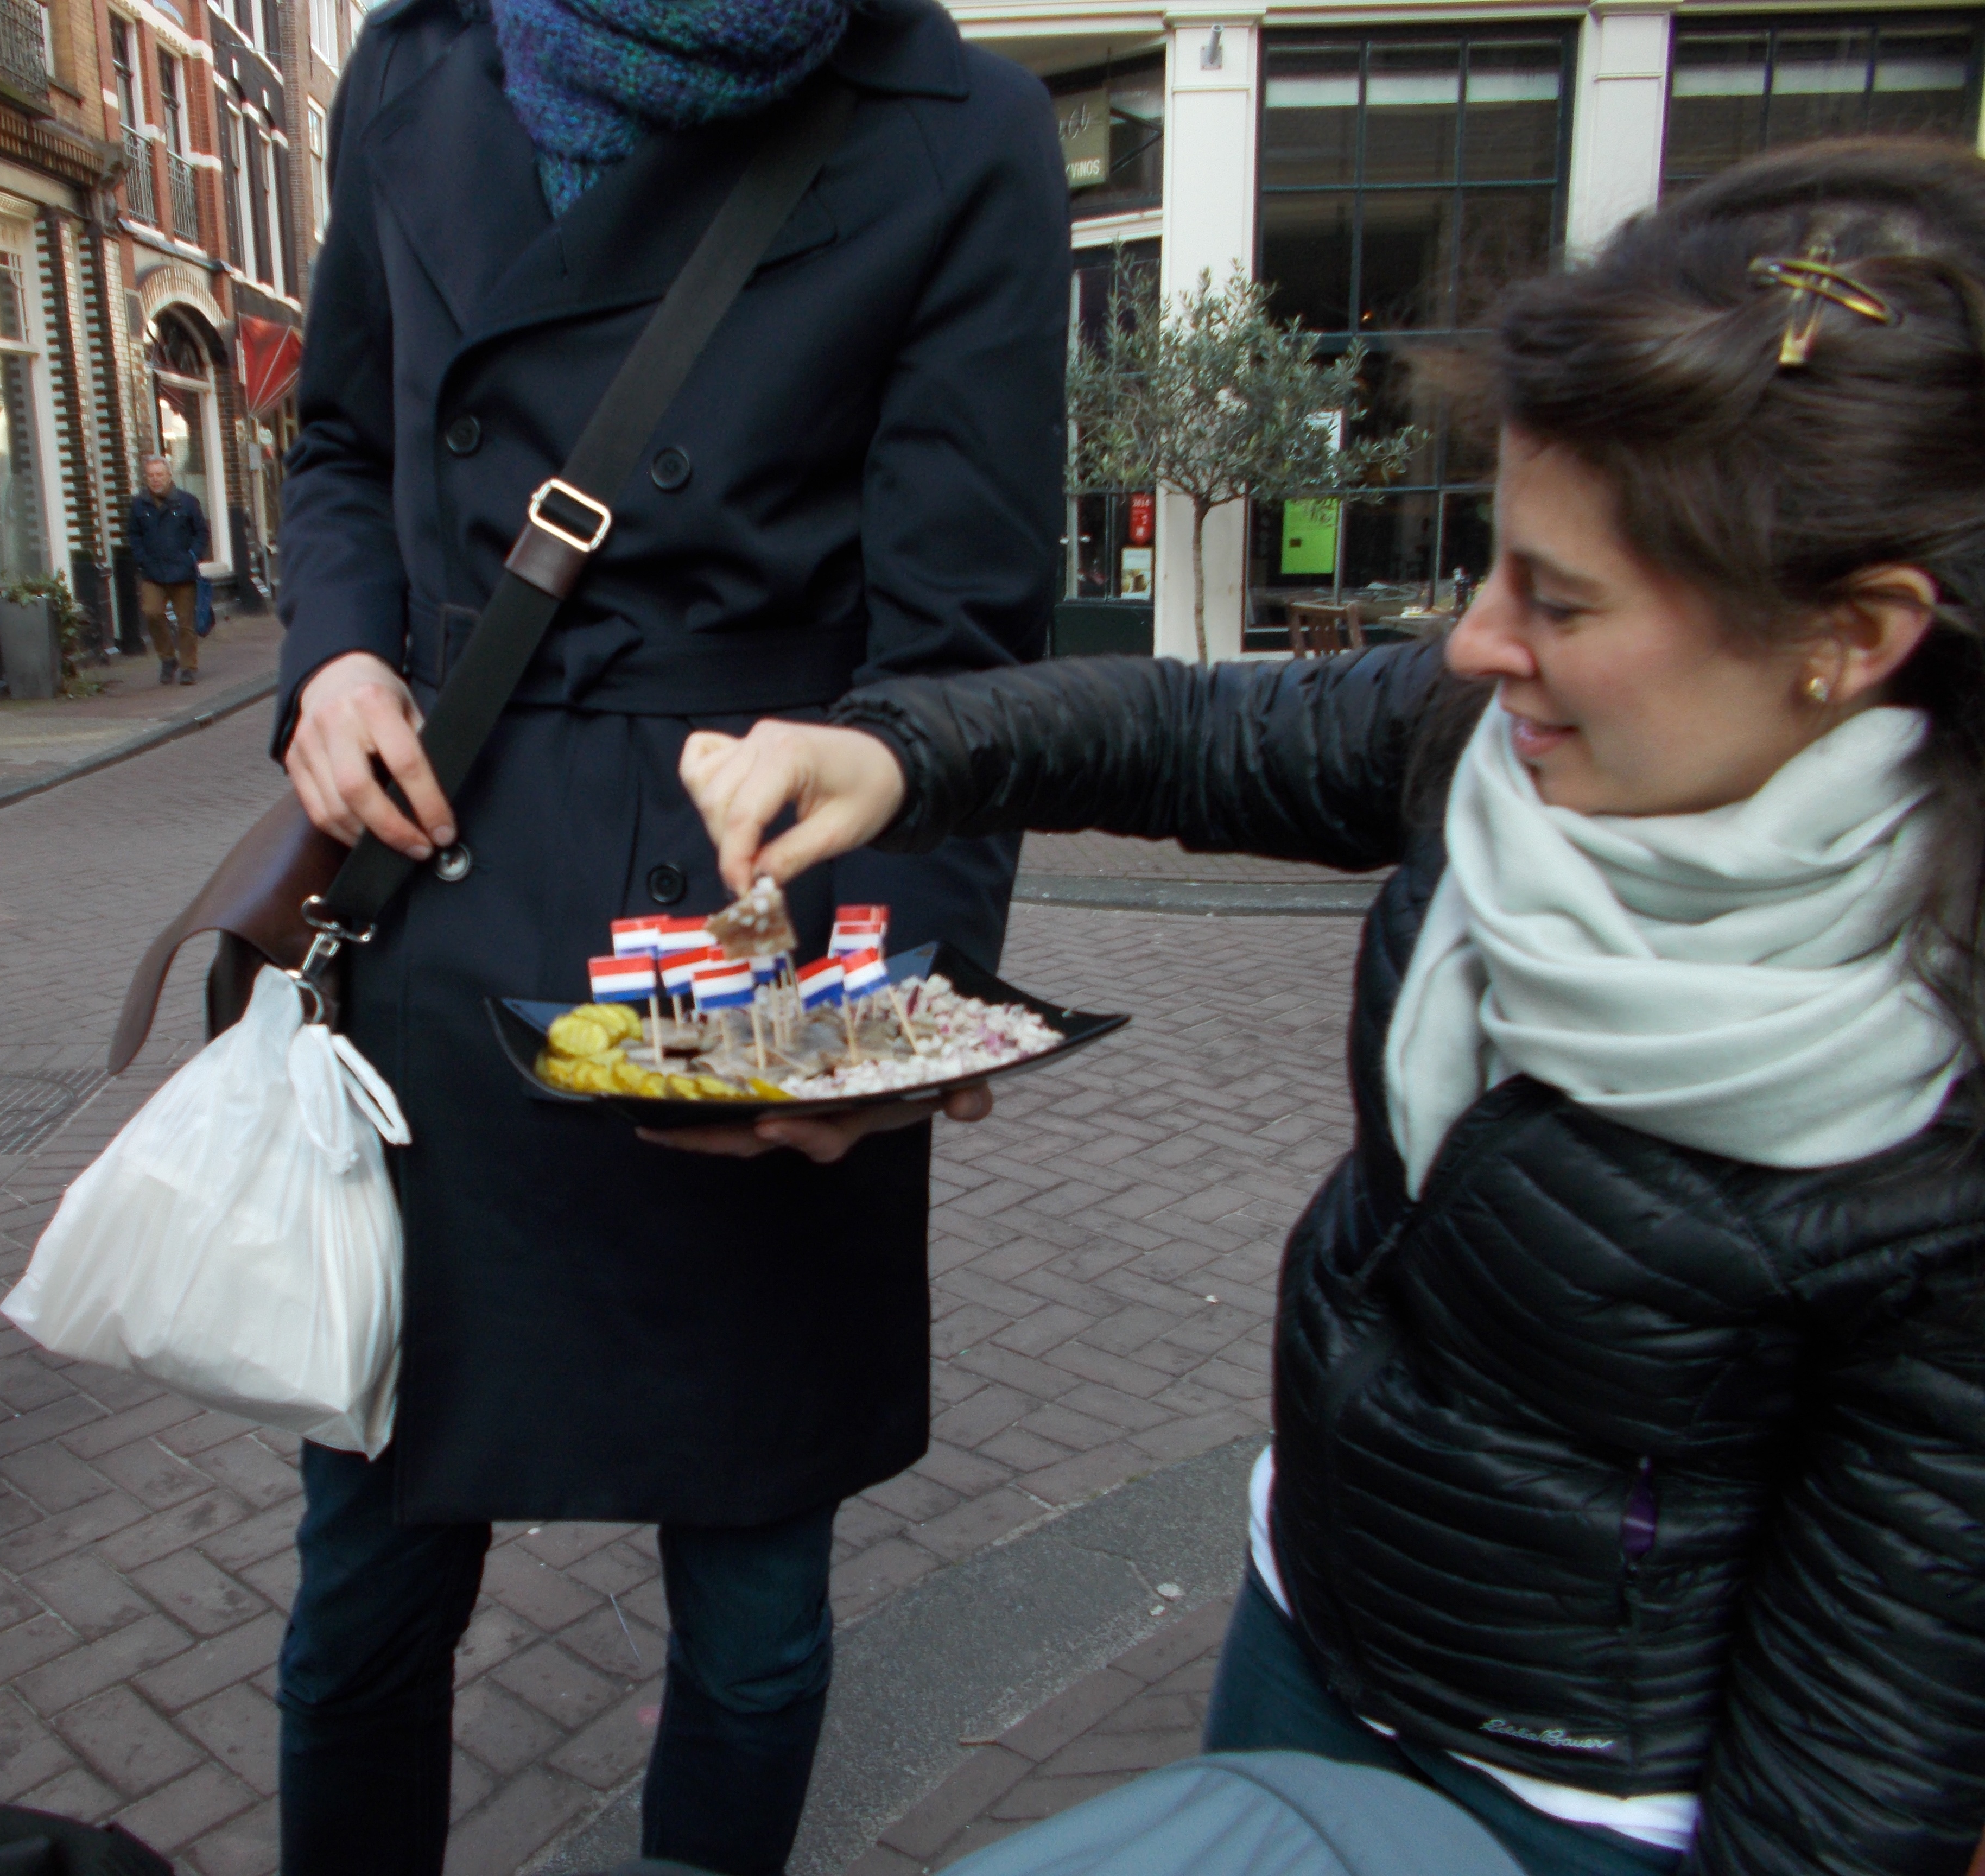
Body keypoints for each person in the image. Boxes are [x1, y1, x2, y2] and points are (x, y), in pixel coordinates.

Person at [681, 138, 1985, 1875]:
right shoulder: (1488, 749)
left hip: (1576, 1805)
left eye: (1563, 599)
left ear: (1856, 632)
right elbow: (1194, 731)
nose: (1474, 640)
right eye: (1496, 562)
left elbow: (1862, 1749)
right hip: (1306, 1625)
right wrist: (896, 751)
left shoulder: (1945, 1125)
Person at [270, 0, 1062, 1865]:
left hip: (748, 925)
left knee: (756, 1591)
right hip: (436, 890)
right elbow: (335, 443)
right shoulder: (414, 57)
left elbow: (958, 639)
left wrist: (878, 1017)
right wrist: (332, 653)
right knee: (364, 1582)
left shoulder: (956, 123)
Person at [131, 454, 210, 686]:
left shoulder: (187, 502)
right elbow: (134, 535)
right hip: (152, 571)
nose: (156, 480)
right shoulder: (138, 505)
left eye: (160, 475)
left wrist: (192, 556)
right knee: (151, 613)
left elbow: (202, 533)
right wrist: (141, 558)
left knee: (186, 621)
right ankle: (167, 658)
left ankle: (188, 667)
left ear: (169, 476)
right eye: (151, 475)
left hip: (182, 571)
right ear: (146, 478)